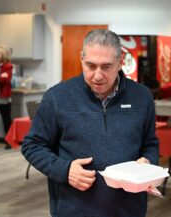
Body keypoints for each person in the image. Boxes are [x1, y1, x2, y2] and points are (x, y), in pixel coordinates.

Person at [21, 29, 159, 217]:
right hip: (74, 208)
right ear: (81, 59)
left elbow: (150, 144)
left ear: (120, 62)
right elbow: (32, 145)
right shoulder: (57, 97)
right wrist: (65, 170)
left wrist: (148, 162)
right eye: (91, 66)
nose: (98, 75)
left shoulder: (142, 96)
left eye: (106, 66)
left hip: (129, 208)